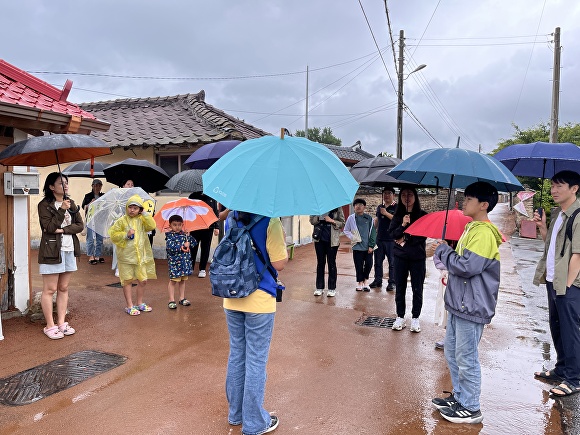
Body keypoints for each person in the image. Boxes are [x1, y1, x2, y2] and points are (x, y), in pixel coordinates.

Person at [431, 181, 501, 424]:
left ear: (483, 205)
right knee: (452, 352)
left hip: (471, 304)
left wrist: (443, 252)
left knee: (466, 357)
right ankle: (460, 397)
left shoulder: (482, 232)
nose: (463, 202)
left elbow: (468, 267)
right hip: (460, 303)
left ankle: (471, 406)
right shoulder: (472, 228)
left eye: (469, 199)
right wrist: (447, 251)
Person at [223, 211, 288, 435]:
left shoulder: (230, 218)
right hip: (259, 298)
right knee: (256, 360)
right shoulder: (271, 220)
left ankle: (236, 414)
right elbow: (279, 263)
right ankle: (253, 424)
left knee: (237, 354)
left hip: (231, 295)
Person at [532, 170, 580, 397]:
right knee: (557, 327)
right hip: (554, 281)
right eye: (552, 185)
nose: (554, 190)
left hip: (569, 285)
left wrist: (568, 286)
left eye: (560, 185)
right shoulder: (558, 215)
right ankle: (561, 368)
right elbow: (551, 246)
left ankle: (574, 379)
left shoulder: (578, 215)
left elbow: (578, 255)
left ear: (574, 188)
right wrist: (542, 227)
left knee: (571, 331)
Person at [38, 172, 84, 339]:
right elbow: (49, 227)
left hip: (69, 249)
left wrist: (64, 229)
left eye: (66, 182)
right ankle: (50, 325)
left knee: (63, 288)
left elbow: (79, 226)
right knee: (50, 289)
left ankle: (61, 323)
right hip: (51, 250)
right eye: (60, 183)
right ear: (51, 187)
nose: (65, 186)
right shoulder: (44, 205)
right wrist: (60, 211)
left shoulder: (71, 203)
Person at [108, 194, 157, 316]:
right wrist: (126, 234)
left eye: (136, 208)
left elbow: (152, 226)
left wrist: (145, 213)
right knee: (127, 281)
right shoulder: (121, 220)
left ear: (140, 209)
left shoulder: (142, 220)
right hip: (126, 257)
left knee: (143, 280)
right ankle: (129, 305)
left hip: (140, 257)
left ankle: (139, 303)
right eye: (130, 207)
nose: (132, 210)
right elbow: (113, 234)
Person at [388, 187, 428, 332]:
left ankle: (415, 317)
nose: (407, 197)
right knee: (400, 287)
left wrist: (405, 237)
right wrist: (403, 225)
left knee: (417, 288)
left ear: (415, 197)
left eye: (410, 195)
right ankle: (400, 316)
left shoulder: (422, 215)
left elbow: (422, 235)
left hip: (417, 257)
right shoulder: (398, 216)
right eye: (404, 195)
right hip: (400, 257)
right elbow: (392, 234)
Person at [309, 207, 345, 297]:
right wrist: (318, 218)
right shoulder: (316, 206)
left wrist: (331, 220)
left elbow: (342, 223)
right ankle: (319, 287)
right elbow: (311, 221)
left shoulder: (337, 207)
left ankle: (332, 288)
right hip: (319, 239)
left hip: (332, 240)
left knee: (331, 263)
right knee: (320, 263)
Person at [344, 198, 376, 292]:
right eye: (356, 205)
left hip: (368, 247)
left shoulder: (369, 218)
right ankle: (360, 282)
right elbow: (346, 230)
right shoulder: (351, 218)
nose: (358, 206)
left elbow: (373, 232)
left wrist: (371, 245)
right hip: (357, 246)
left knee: (369, 264)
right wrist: (353, 237)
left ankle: (366, 281)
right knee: (358, 265)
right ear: (354, 207)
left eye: (361, 205)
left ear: (364, 207)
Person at [369, 187, 397, 291]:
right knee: (377, 261)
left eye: (389, 193)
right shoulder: (380, 207)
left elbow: (397, 220)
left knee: (392, 262)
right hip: (379, 238)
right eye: (384, 193)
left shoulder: (397, 207)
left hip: (391, 239)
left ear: (393, 195)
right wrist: (372, 231)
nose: (386, 195)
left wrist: (386, 213)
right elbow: (377, 220)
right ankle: (378, 280)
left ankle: (392, 282)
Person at [165, 215, 196, 309]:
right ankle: (171, 300)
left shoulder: (184, 235)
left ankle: (182, 298)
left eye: (179, 225)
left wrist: (189, 237)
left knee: (182, 281)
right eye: (174, 225)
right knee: (173, 281)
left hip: (184, 263)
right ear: (170, 226)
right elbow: (170, 248)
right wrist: (182, 246)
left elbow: (194, 243)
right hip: (175, 264)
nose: (177, 227)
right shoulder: (170, 236)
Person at [188, 192, 219, 278]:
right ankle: (191, 267)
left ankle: (202, 269)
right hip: (195, 225)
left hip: (208, 226)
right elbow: (188, 210)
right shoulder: (193, 196)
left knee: (205, 248)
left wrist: (217, 226)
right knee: (193, 247)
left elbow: (215, 212)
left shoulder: (212, 196)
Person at [112, 179, 135, 277]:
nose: (130, 186)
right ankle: (118, 267)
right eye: (128, 184)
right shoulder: (118, 196)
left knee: (130, 248)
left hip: (130, 225)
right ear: (123, 186)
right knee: (118, 247)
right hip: (119, 225)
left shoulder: (135, 198)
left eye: (132, 184)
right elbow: (113, 210)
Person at [81, 178, 105, 264]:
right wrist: (90, 203)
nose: (97, 187)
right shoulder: (88, 196)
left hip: (100, 220)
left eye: (99, 185)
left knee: (100, 239)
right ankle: (91, 256)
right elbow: (83, 206)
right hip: (91, 219)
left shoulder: (103, 196)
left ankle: (97, 255)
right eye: (95, 185)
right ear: (92, 186)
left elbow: (106, 207)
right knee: (90, 239)